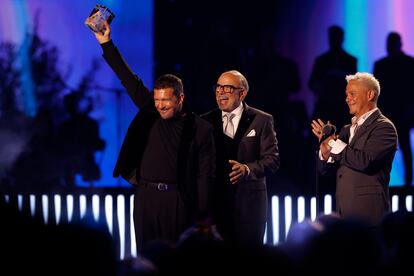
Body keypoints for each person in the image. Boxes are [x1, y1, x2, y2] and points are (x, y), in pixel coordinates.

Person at [88, 21, 216, 251]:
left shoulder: (201, 129)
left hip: (177, 201)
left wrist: (203, 216)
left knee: (174, 260)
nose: (160, 105)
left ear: (180, 98)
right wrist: (106, 42)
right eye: (157, 100)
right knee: (146, 255)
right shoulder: (150, 112)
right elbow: (128, 78)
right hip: (145, 199)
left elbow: (205, 177)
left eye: (165, 100)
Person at [201, 70, 280, 247]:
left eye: (227, 88)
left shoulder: (261, 120)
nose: (220, 92)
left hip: (250, 208)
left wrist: (247, 169)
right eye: (218, 87)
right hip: (216, 208)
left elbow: (272, 160)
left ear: (242, 93)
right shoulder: (205, 121)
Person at [311, 72, 398, 227]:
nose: (347, 98)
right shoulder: (345, 130)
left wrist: (333, 144)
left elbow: (366, 161)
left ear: (370, 94)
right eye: (346, 94)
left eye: (352, 94)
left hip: (368, 213)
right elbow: (326, 171)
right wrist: (325, 151)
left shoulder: (384, 127)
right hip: (343, 212)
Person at [373, 32, 414, 186]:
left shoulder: (381, 65)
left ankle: (383, 182)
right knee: (404, 147)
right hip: (401, 113)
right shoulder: (409, 63)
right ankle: (408, 182)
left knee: (385, 148)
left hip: (393, 113)